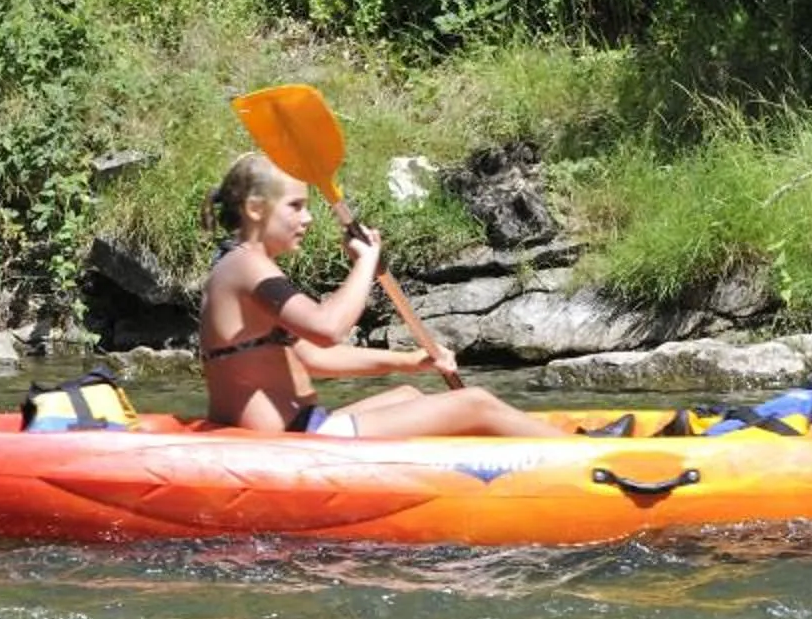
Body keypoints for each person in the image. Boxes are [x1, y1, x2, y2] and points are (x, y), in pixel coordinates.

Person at [200, 152, 565, 440]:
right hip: (292, 440)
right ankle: (584, 456)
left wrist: (409, 361)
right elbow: (328, 330)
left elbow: (313, 357)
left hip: (304, 425)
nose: (308, 218)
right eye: (295, 206)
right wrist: (365, 262)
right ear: (255, 209)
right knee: (475, 403)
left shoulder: (243, 265)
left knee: (409, 395)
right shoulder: (248, 266)